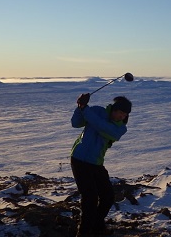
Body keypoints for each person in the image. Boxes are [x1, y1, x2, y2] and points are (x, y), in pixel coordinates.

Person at [70, 93, 132, 237]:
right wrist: (79, 107)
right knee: (90, 198)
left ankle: (96, 226)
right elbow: (76, 123)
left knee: (108, 196)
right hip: (79, 160)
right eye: (121, 113)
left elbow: (102, 127)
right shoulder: (97, 111)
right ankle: (84, 232)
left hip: (96, 163)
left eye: (125, 115)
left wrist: (86, 109)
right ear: (114, 109)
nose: (122, 117)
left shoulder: (120, 128)